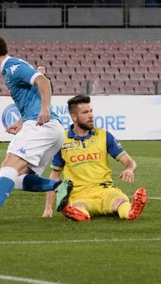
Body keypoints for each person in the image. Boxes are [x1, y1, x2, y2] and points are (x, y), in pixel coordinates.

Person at [0, 33, 72, 230]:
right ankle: (58, 186)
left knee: (8, 164)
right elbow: (31, 96)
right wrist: (21, 121)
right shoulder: (11, 69)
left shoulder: (13, 67)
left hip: (42, 127)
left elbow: (43, 81)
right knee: (16, 178)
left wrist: (44, 109)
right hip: (48, 129)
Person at [42, 94, 147, 222]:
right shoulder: (62, 140)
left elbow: (129, 162)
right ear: (74, 117)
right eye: (85, 112)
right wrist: (48, 207)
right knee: (79, 206)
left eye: (91, 111)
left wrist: (129, 169)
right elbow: (55, 175)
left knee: (120, 201)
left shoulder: (104, 135)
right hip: (80, 195)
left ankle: (130, 213)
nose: (91, 115)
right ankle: (78, 214)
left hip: (106, 191)